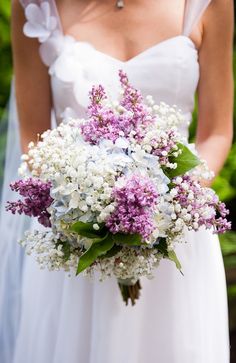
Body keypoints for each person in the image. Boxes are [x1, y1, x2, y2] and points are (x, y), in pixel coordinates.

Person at [0, 0, 234, 362]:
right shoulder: (35, 5)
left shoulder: (207, 4)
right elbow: (33, 135)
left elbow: (216, 132)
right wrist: (89, 205)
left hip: (177, 237)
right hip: (75, 240)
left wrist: (171, 206)